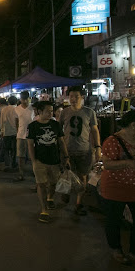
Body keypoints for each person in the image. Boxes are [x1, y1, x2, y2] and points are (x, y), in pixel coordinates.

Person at [100, 110, 135, 270]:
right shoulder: (112, 141)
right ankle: (116, 249)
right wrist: (129, 163)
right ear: (133, 125)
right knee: (114, 220)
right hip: (115, 187)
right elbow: (107, 164)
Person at [59, 86, 101, 216]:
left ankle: (78, 204)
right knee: (66, 175)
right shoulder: (64, 113)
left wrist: (98, 147)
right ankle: (65, 193)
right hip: (67, 150)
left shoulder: (89, 112)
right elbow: (59, 130)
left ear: (82, 97)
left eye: (76, 96)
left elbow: (94, 130)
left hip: (84, 150)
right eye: (71, 96)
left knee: (83, 176)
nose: (73, 99)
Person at [27, 101, 70, 223]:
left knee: (53, 183)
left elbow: (61, 142)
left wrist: (66, 157)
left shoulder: (55, 125)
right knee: (41, 184)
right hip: (40, 160)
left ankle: (50, 198)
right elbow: (30, 145)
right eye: (48, 111)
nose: (51, 113)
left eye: (52, 111)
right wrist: (33, 161)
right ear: (40, 112)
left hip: (55, 159)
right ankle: (44, 209)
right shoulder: (32, 126)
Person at [14, 91, 36, 181]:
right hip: (20, 135)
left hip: (31, 135)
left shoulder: (33, 108)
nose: (25, 101)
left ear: (29, 98)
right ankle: (21, 173)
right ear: (20, 99)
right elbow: (16, 122)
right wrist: (18, 131)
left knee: (32, 155)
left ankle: (35, 172)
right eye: (23, 99)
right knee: (20, 155)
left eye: (26, 99)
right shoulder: (16, 109)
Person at [0, 96, 21, 180]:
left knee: (6, 149)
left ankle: (7, 164)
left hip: (6, 132)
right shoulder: (17, 109)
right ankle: (13, 163)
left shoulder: (4, 109)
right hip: (15, 132)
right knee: (14, 149)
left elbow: (1, 121)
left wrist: (1, 131)